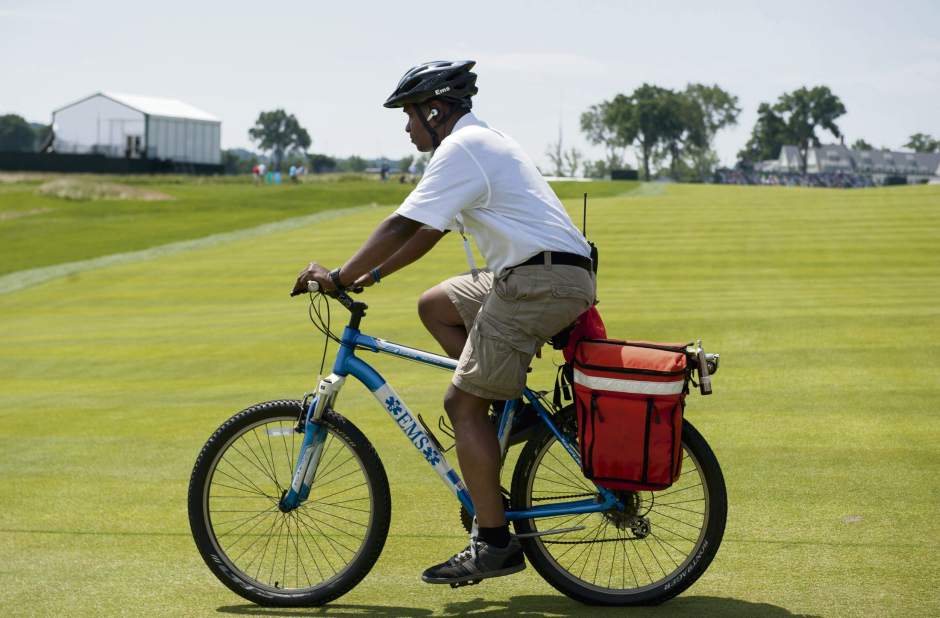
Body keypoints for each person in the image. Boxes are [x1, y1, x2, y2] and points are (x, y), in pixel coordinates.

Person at [291, 59, 594, 586]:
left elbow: (399, 223)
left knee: (459, 404)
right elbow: (426, 234)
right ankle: (506, 404)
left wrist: (340, 276)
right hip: (538, 275)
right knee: (436, 304)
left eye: (409, 115)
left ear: (436, 110)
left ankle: (495, 544)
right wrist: (373, 276)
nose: (407, 127)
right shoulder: (475, 143)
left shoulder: (461, 149)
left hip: (537, 282)